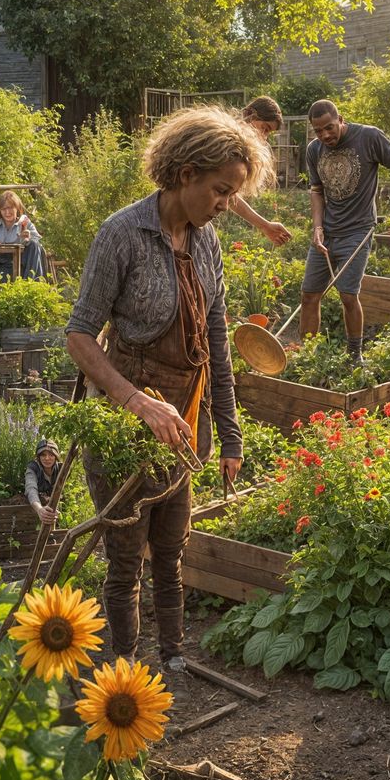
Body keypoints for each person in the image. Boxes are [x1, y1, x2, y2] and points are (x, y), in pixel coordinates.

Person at [65, 107, 269, 670]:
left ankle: (174, 660)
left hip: (186, 416)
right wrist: (136, 402)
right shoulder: (122, 235)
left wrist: (229, 435)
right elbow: (79, 335)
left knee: (172, 549)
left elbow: (216, 341)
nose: (226, 204)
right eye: (221, 191)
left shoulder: (206, 242)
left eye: (233, 194)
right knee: (125, 554)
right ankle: (124, 669)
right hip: (127, 422)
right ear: (185, 174)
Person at [300, 99, 390, 359]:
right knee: (308, 295)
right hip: (327, 233)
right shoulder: (314, 150)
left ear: (341, 120)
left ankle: (354, 355)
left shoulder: (368, 137)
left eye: (329, 128)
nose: (324, 135)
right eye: (318, 131)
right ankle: (306, 356)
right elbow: (316, 190)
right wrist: (317, 227)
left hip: (357, 232)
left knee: (348, 295)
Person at [226, 96, 292, 248]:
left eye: (268, 133)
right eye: (264, 128)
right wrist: (265, 226)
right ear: (249, 115)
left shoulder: (237, 149)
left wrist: (265, 226)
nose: (264, 137)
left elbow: (228, 196)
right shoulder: (224, 143)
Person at [25, 438, 62, 529]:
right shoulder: (33, 468)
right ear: (38, 457)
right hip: (36, 506)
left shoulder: (61, 469)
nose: (47, 458)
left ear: (56, 456)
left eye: (51, 455)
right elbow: (31, 489)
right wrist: (39, 509)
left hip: (54, 507)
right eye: (43, 455)